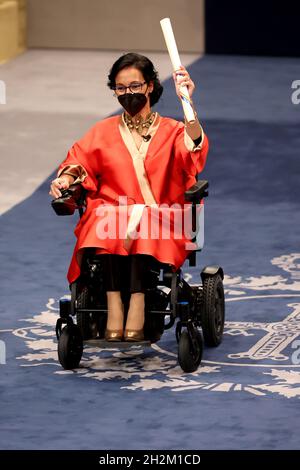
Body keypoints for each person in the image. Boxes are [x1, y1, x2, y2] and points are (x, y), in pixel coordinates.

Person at [49, 53, 209, 342]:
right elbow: (79, 160)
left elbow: (194, 151)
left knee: (137, 219)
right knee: (106, 216)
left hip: (160, 213)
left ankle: (136, 302)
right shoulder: (103, 130)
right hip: (113, 213)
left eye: (134, 86)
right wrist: (65, 179)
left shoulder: (173, 130)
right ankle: (113, 304)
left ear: (149, 87)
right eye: (121, 88)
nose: (128, 94)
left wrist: (188, 102)